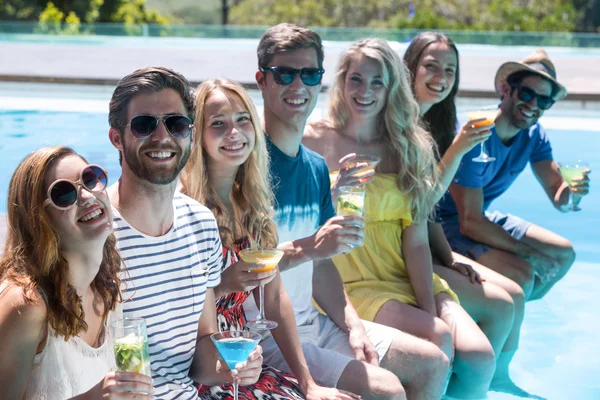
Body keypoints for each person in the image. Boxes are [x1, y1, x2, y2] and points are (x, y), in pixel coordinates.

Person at [256, 23, 451, 400]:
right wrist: (312, 247)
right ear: (262, 79)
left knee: (432, 364)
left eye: (309, 74)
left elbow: (323, 266)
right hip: (266, 331)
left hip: (317, 320)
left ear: (320, 81)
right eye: (285, 74)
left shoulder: (313, 167)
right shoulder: (248, 164)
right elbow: (239, 266)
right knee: (389, 390)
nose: (298, 86)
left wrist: (351, 324)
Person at [304, 38, 498, 399]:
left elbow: (417, 239)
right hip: (350, 281)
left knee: (481, 357)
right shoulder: (313, 140)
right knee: (438, 336)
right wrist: (335, 191)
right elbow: (300, 225)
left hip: (404, 274)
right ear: (342, 80)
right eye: (357, 79)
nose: (366, 91)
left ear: (392, 87)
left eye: (378, 81)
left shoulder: (409, 145)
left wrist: (427, 306)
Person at [180, 78, 359, 400]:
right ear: (197, 134)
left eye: (242, 120)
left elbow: (275, 299)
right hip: (200, 366)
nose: (233, 133)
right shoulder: (185, 208)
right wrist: (222, 284)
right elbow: (172, 307)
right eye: (218, 124)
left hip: (245, 359)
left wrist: (309, 384)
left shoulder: (251, 204)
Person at [106, 66, 262, 400]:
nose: (162, 137)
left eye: (176, 124)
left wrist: (232, 366)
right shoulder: (96, 230)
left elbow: (201, 351)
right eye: (145, 124)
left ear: (190, 134)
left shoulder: (202, 225)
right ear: (117, 137)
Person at [404, 32, 529, 396]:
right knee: (500, 305)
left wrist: (449, 258)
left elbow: (428, 213)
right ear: (410, 67)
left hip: (422, 242)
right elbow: (417, 202)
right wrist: (458, 150)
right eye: (431, 66)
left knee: (515, 295)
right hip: (397, 252)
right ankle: (466, 389)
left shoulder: (436, 123)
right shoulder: (396, 125)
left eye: (450, 69)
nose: (441, 76)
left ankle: (498, 381)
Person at [0, 146, 153, 399]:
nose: (88, 196)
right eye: (64, 194)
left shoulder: (108, 290)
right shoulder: (26, 306)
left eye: (91, 179)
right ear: (38, 221)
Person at [437, 49, 589, 302]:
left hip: (479, 217)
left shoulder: (534, 135)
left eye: (544, 101)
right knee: (524, 273)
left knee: (564, 255)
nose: (533, 105)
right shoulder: (477, 133)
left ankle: (507, 310)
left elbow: (558, 195)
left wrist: (573, 194)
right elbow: (469, 222)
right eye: (527, 93)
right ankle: (496, 311)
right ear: (507, 89)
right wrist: (528, 253)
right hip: (444, 226)